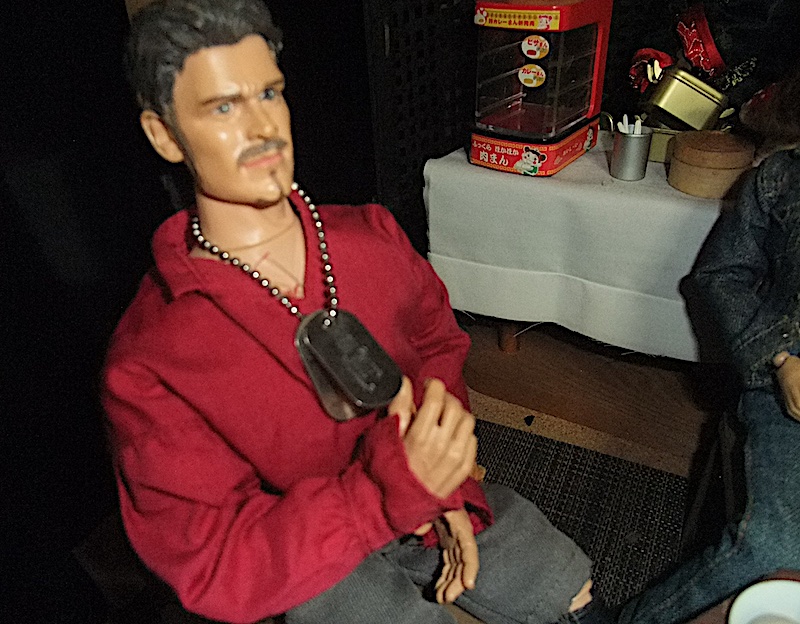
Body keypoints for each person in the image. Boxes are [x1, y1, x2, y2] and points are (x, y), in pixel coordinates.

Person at [105, 1, 610, 622]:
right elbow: (213, 557)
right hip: (297, 544)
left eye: (269, 94)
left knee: (561, 583)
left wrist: (444, 480)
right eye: (224, 108)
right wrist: (382, 496)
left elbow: (436, 346)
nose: (262, 128)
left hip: (414, 487)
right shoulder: (155, 357)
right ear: (164, 134)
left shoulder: (369, 239)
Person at [617, 70, 800, 624]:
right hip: (787, 385)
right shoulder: (782, 178)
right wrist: (780, 359)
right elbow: (720, 275)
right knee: (774, 547)